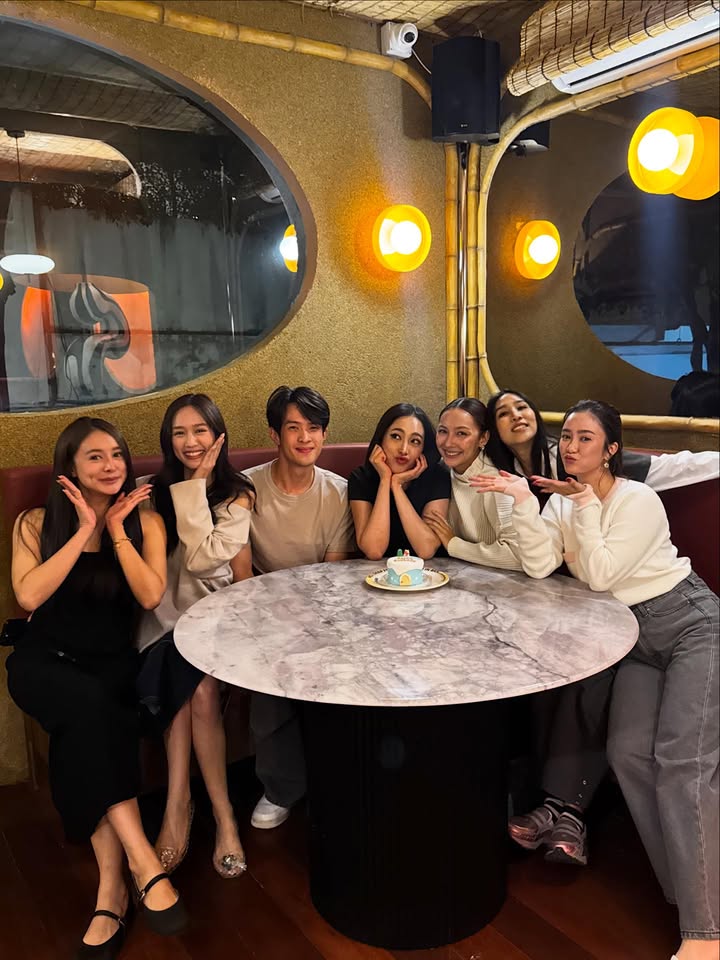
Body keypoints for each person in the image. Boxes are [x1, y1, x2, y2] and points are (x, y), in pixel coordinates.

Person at [474, 399, 719, 960]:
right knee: (627, 753)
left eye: (585, 438)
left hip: (691, 623)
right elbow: (539, 564)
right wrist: (522, 503)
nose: (570, 446)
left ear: (611, 449)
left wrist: (582, 506)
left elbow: (604, 573)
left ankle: (706, 933)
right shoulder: (563, 503)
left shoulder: (638, 499)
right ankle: (694, 891)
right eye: (566, 437)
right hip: (633, 638)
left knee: (682, 762)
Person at [7, 417, 186, 960]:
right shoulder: (34, 522)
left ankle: (112, 892)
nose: (111, 466)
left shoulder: (145, 521)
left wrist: (115, 531)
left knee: (88, 723)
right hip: (44, 662)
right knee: (90, 708)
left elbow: (150, 595)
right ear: (69, 466)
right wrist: (82, 529)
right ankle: (143, 861)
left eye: (117, 455)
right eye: (95, 457)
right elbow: (29, 598)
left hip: (110, 667)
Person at [136, 394, 254, 879]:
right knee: (191, 686)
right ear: (167, 440)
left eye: (200, 430)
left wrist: (196, 486)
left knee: (197, 688)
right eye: (179, 432)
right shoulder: (147, 492)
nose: (190, 442)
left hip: (211, 622)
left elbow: (204, 560)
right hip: (159, 624)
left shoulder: (236, 494)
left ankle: (195, 810)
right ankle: (196, 807)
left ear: (218, 435)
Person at [235, 386, 356, 829]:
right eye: (294, 428)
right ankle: (279, 788)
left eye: (314, 428)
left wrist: (313, 620)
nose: (305, 437)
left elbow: (333, 576)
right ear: (275, 434)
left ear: (324, 435)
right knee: (270, 668)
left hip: (324, 607)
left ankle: (340, 780)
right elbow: (241, 574)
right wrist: (275, 619)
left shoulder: (339, 492)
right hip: (263, 609)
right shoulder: (245, 488)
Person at [485, 388, 720, 495]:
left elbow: (671, 467)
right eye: (503, 414)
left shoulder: (578, 455)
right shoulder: (504, 470)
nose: (516, 415)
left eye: (522, 407)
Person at [423, 397, 522, 569]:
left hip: (500, 581)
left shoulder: (497, 483)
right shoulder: (441, 471)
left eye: (461, 433)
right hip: (458, 574)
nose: (448, 443)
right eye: (443, 431)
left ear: (483, 438)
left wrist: (454, 545)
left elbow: (517, 555)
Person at [349, 403, 449, 560]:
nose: (403, 449)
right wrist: (385, 479)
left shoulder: (437, 477)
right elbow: (374, 550)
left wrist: (396, 485)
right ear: (381, 438)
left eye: (415, 441)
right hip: (378, 573)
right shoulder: (360, 478)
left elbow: (426, 549)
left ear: (423, 449)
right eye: (396, 436)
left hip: (428, 573)